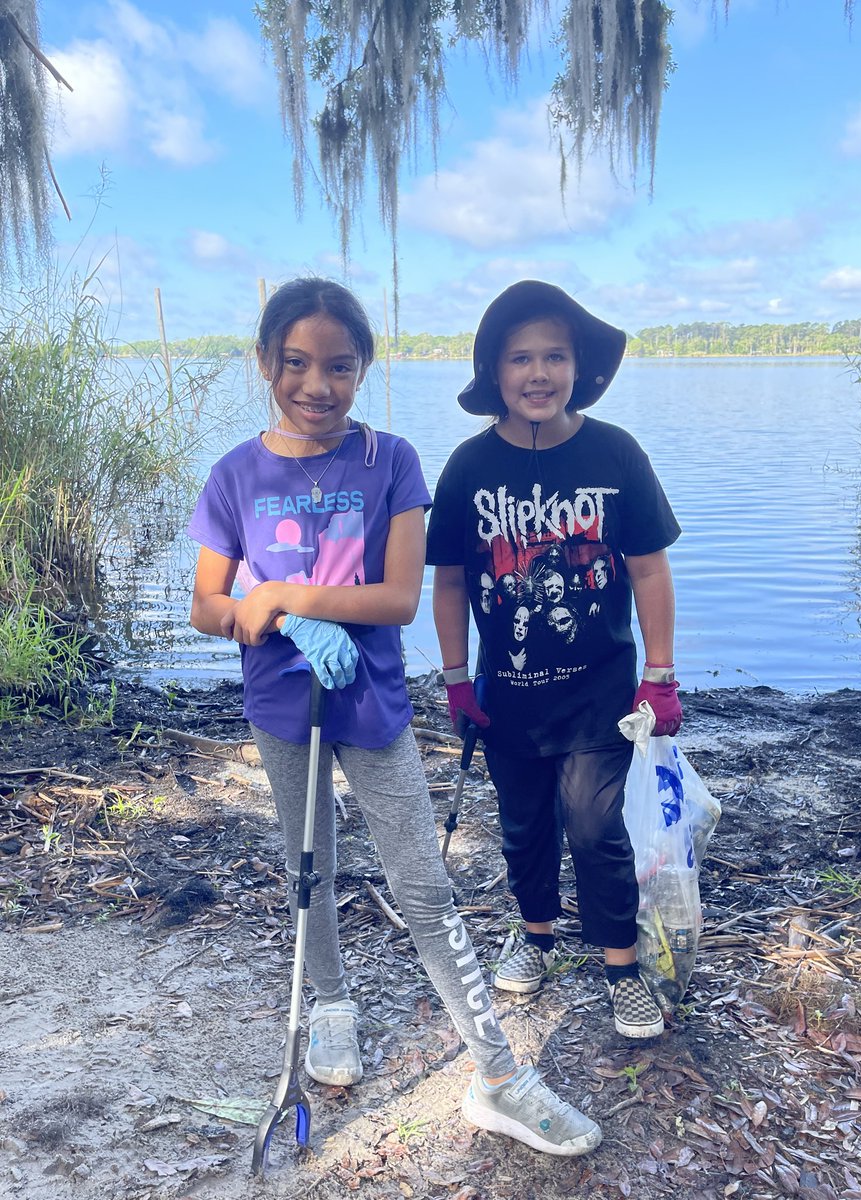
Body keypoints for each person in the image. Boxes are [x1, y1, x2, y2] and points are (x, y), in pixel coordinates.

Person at [187, 277, 602, 1156]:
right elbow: (207, 607)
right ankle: (330, 1000)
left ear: (363, 369)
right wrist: (258, 613)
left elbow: (404, 597)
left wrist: (296, 595)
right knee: (312, 867)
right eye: (295, 364)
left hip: (370, 705)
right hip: (279, 705)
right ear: (266, 363)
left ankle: (497, 1072)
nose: (317, 385)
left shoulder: (391, 460)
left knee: (422, 884)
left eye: (339, 366)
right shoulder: (235, 475)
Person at [426, 280, 682, 1039]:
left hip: (598, 692)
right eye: (520, 358)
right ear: (494, 372)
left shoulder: (615, 453)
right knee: (524, 823)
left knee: (597, 827)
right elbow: (447, 583)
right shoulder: (468, 467)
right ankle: (534, 936)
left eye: (555, 357)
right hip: (507, 695)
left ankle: (620, 965)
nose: (538, 373)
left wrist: (659, 676)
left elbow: (648, 570)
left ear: (579, 367)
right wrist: (456, 678)